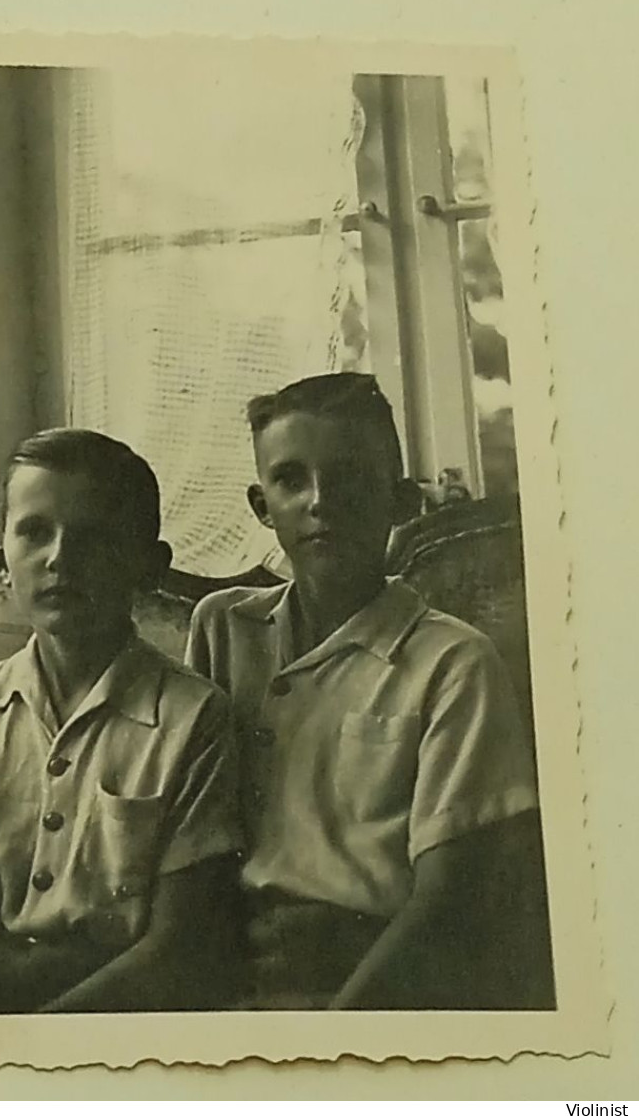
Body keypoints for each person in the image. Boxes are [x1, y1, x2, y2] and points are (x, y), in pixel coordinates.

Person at [185, 372, 552, 1010]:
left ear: (401, 500)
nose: (320, 501)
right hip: (225, 964)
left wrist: (335, 1039)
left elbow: (448, 901)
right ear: (260, 504)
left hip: (370, 977)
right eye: (291, 480)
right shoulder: (224, 628)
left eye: (350, 475)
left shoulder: (451, 662)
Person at [0, 428, 243, 1015]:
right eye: (35, 532)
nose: (60, 557)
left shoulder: (193, 719)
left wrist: (32, 1049)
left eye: (94, 536)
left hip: (120, 1020)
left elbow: (180, 946)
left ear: (148, 564)